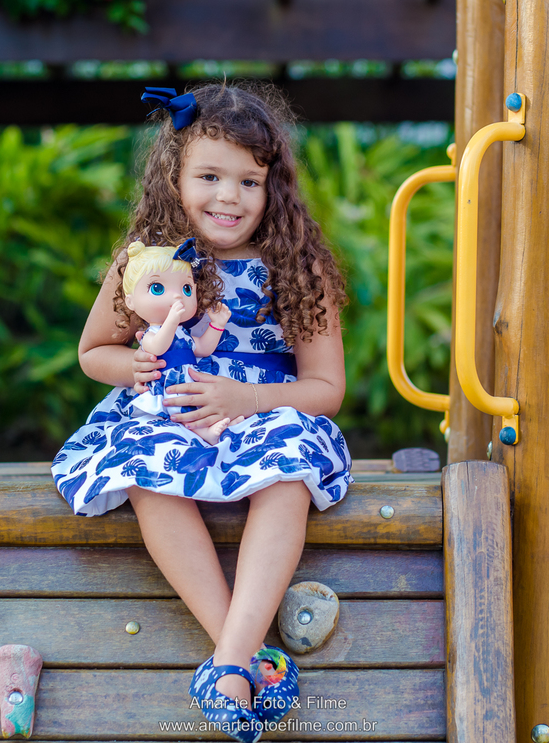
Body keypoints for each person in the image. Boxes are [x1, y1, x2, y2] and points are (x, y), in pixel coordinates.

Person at [52, 82, 352, 743]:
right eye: (210, 176)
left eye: (249, 181)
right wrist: (131, 367)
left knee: (291, 469)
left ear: (273, 187)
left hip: (268, 412)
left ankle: (228, 664)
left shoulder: (297, 268)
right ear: (175, 176)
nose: (228, 197)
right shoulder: (146, 264)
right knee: (142, 467)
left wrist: (245, 399)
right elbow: (93, 350)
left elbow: (325, 388)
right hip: (170, 414)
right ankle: (240, 662)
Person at [120, 238, 241, 445]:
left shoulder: (183, 333)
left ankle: (214, 426)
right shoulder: (151, 333)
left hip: (190, 382)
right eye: (158, 288)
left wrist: (217, 325)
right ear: (130, 301)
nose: (177, 296)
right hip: (168, 385)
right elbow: (157, 347)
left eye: (186, 289)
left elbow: (202, 348)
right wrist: (172, 320)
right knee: (181, 410)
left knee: (203, 405)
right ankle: (205, 433)